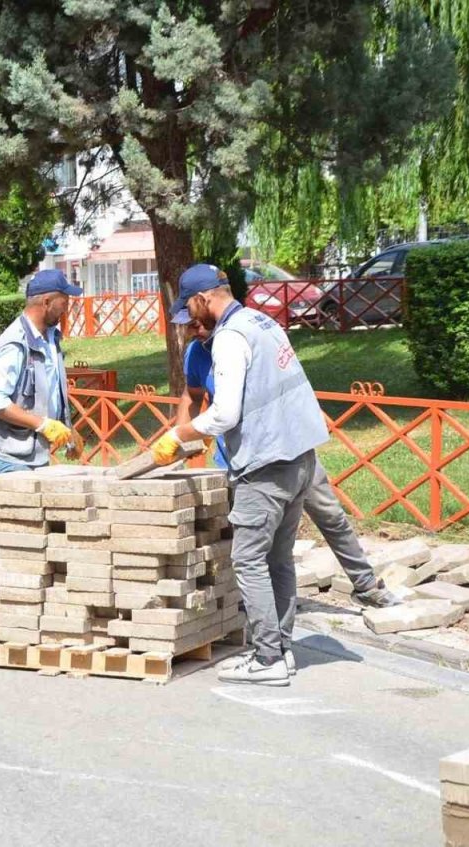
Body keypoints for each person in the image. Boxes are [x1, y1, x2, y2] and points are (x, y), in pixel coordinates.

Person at [151, 264, 327, 687]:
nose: (190, 320)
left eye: (190, 309)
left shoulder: (230, 337)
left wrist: (178, 435)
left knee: (248, 559)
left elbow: (224, 413)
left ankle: (267, 658)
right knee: (279, 559)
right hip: (300, 457)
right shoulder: (262, 322)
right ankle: (282, 649)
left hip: (265, 465)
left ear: (204, 298)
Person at [179, 320, 401, 612]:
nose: (194, 330)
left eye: (197, 323)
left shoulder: (246, 340)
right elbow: (192, 395)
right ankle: (259, 604)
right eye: (187, 325)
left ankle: (366, 586)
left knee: (330, 515)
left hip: (291, 449)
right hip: (245, 461)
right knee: (254, 538)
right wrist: (180, 437)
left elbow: (286, 383)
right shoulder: (196, 353)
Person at [0, 269, 82, 474]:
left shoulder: (50, 338)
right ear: (46, 302)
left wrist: (66, 428)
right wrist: (43, 425)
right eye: (64, 302)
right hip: (9, 458)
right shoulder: (14, 344)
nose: (66, 309)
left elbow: (50, 391)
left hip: (34, 455)